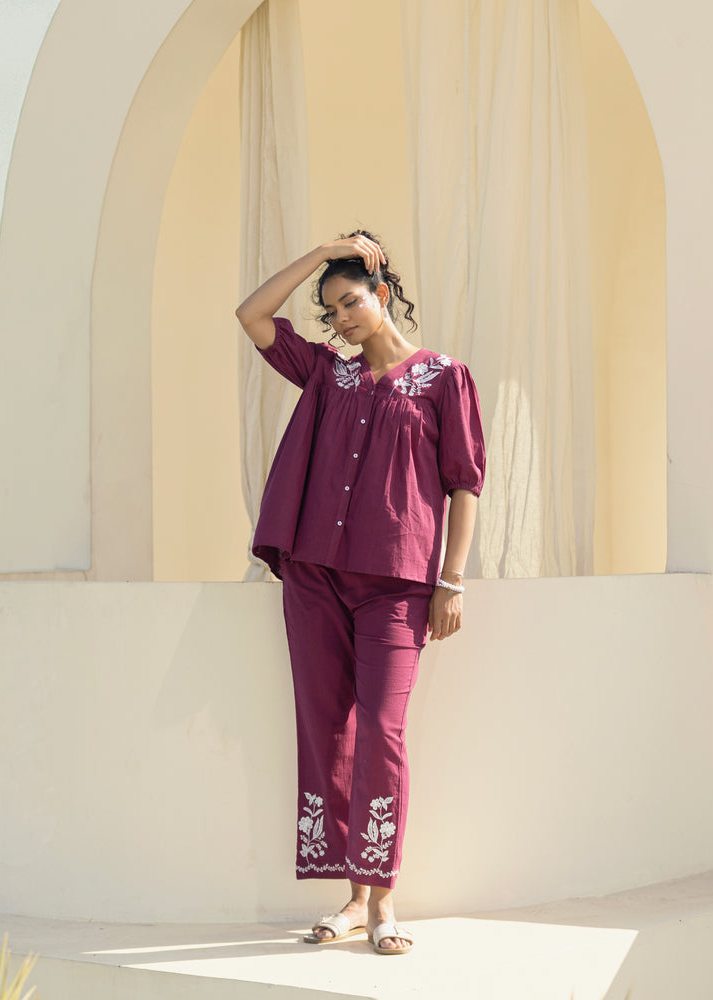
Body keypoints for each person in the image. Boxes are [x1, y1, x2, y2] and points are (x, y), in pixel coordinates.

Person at [235, 230, 485, 955]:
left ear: (382, 295)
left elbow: (465, 483)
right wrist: (319, 253)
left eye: (350, 301)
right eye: (331, 310)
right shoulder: (325, 374)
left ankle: (383, 900)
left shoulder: (444, 378)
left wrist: (452, 579)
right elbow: (251, 316)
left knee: (383, 729)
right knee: (327, 730)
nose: (341, 318)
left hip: (397, 588)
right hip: (314, 578)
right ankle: (351, 900)